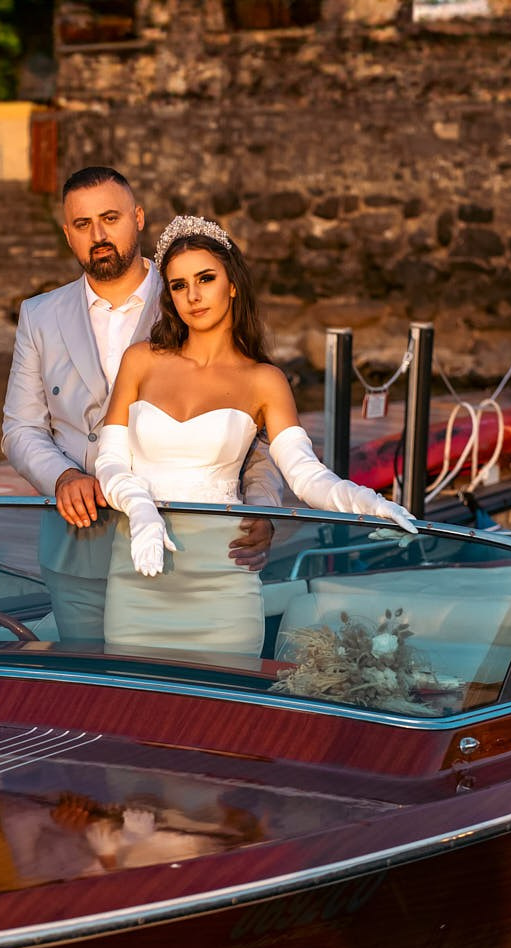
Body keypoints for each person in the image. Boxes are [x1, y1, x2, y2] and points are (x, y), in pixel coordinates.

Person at [91, 214, 419, 657]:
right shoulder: (140, 361)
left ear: (232, 284)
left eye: (205, 279)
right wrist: (140, 507)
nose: (193, 296)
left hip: (223, 579)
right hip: (137, 571)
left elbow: (305, 475)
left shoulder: (265, 380)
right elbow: (109, 461)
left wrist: (370, 503)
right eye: (179, 285)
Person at [2, 168, 277, 642]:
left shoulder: (191, 295)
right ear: (68, 234)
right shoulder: (39, 315)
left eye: (110, 218)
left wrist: (264, 509)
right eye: (83, 224)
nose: (99, 235)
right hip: (79, 546)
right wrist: (62, 477)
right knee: (93, 685)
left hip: (192, 547)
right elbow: (20, 429)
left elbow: (256, 425)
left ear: (139, 218)